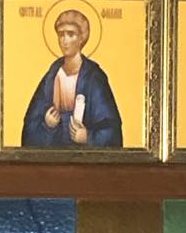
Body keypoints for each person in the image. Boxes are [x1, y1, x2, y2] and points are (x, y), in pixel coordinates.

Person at [19, 8, 123, 148]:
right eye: (61, 34)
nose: (64, 40)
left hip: (84, 157)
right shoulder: (51, 76)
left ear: (81, 38)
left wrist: (88, 137)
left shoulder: (94, 77)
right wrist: (47, 126)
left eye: (71, 34)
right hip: (54, 154)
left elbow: (112, 130)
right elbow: (30, 127)